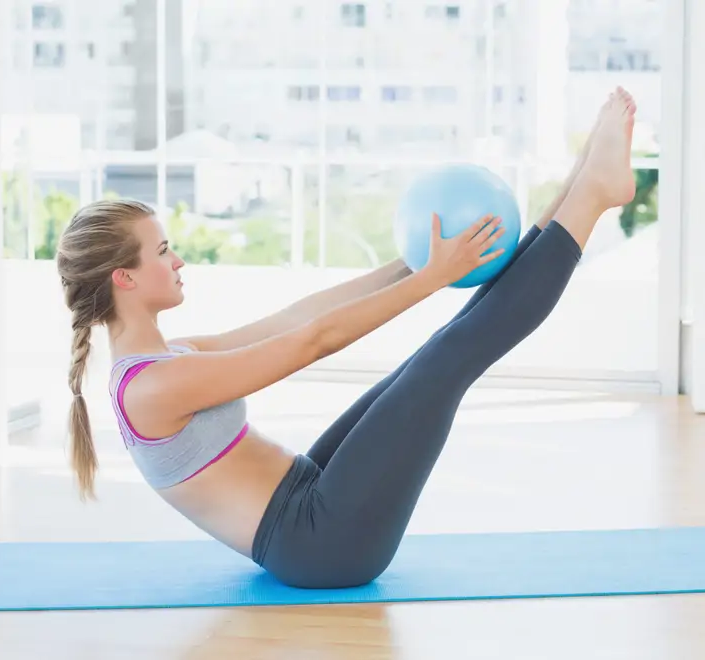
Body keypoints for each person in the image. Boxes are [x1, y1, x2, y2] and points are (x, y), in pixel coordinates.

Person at [56, 88, 638, 589]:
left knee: (441, 351)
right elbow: (312, 342)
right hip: (322, 543)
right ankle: (593, 195)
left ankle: (578, 185)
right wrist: (434, 278)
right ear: (123, 278)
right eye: (162, 252)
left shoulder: (166, 360)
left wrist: (411, 266)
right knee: (449, 358)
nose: (178, 259)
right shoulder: (153, 386)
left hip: (311, 497)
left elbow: (293, 319)